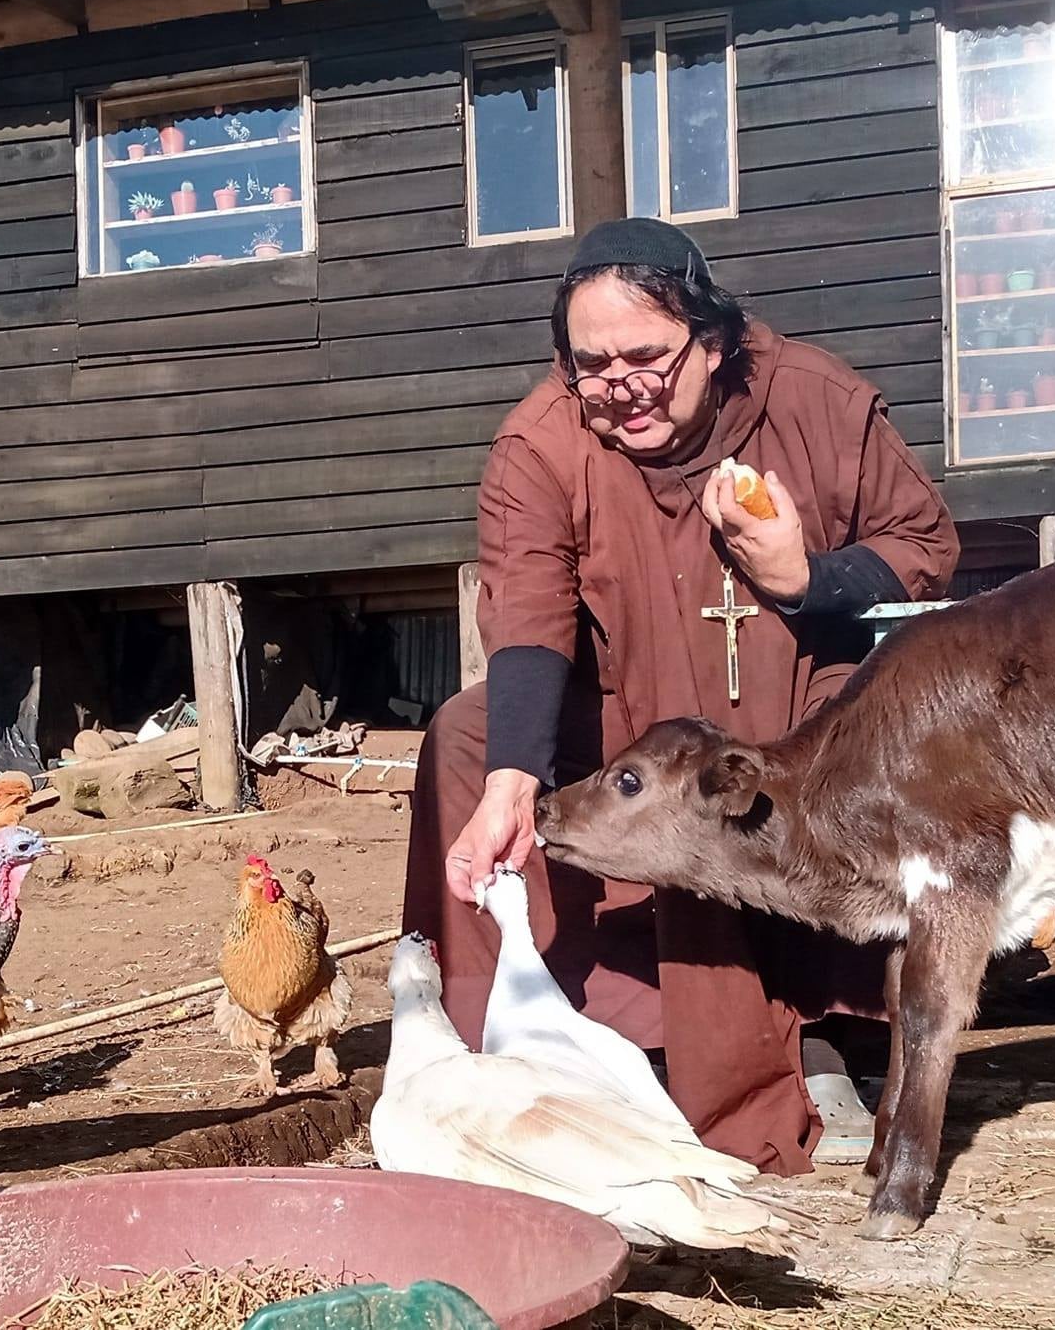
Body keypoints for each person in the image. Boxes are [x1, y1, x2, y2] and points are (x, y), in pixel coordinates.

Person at [403, 218, 959, 1173]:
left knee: (834, 739)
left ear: (711, 340)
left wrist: (804, 577)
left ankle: (816, 1033)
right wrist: (509, 780)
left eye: (647, 358)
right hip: (633, 717)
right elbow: (528, 611)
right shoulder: (545, 438)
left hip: (800, 709)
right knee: (468, 734)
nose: (620, 387)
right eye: (592, 365)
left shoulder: (814, 402)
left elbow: (926, 546)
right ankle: (540, 1034)